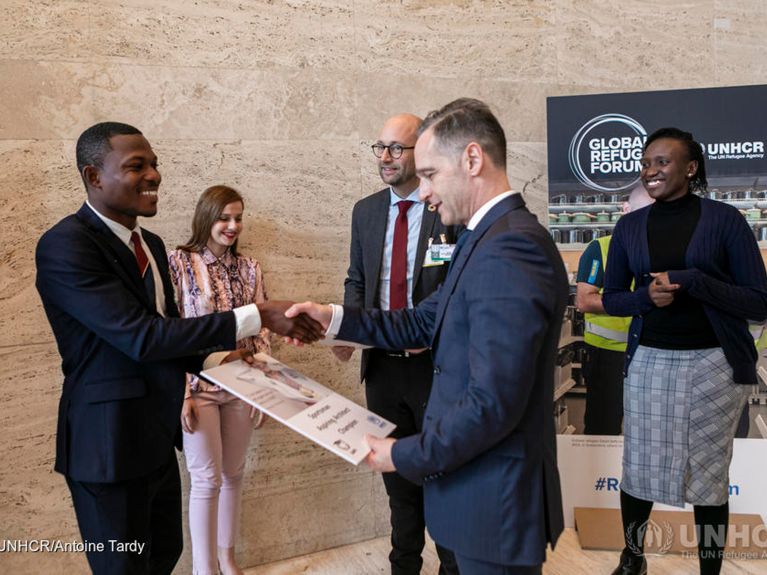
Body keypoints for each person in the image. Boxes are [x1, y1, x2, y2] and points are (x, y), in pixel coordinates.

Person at [287, 98, 568, 575]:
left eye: (432, 175)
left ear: (472, 160)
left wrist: (403, 452)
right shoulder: (484, 238)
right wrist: (330, 318)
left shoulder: (512, 248)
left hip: (492, 501)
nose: (426, 194)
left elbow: (493, 402)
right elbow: (419, 321)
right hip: (476, 494)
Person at [34, 122, 321, 575]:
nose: (154, 175)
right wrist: (258, 314)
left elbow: (166, 331)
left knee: (163, 555)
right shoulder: (65, 245)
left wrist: (219, 359)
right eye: (136, 166)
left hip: (156, 441)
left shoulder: (149, 243)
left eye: (154, 163)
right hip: (106, 448)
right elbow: (140, 337)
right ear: (94, 176)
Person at [602, 127, 767, 575]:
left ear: (690, 168)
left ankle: (709, 568)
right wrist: (644, 299)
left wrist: (696, 280)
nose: (650, 170)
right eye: (646, 162)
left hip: (715, 364)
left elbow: (759, 300)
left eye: (662, 162)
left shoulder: (725, 221)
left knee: (710, 478)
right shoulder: (629, 226)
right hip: (650, 361)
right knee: (637, 469)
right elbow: (612, 296)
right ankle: (633, 557)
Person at [333, 113, 460, 575]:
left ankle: (452, 567)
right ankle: (404, 566)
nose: (385, 157)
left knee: (442, 479)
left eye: (396, 148)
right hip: (382, 371)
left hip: (436, 368)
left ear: (421, 153)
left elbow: (455, 286)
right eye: (379, 147)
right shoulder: (365, 211)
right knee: (398, 484)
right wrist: (347, 327)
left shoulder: (444, 209)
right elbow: (357, 279)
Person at [168, 185, 271, 575]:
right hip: (199, 389)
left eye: (238, 218)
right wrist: (180, 393)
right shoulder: (178, 263)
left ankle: (228, 560)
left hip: (244, 387)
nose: (232, 226)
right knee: (206, 478)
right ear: (206, 216)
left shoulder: (250, 268)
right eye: (224, 217)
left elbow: (261, 333)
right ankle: (203, 569)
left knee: (233, 473)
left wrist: (264, 392)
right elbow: (171, 330)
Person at [575, 185, 654, 435]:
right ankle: (601, 475)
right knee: (603, 427)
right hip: (608, 355)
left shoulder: (666, 250)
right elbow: (584, 301)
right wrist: (639, 301)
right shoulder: (600, 248)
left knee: (649, 429)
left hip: (654, 354)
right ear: (625, 209)